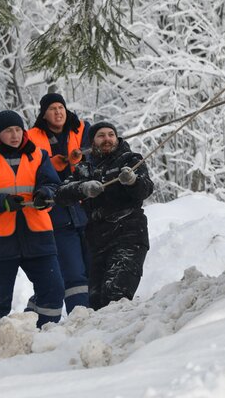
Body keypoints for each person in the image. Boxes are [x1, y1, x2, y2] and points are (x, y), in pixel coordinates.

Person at [0, 110, 65, 328]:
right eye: (9, 131)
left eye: (18, 129)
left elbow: (54, 186)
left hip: (39, 238)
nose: (15, 135)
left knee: (54, 290)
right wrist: (3, 202)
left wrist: (45, 194)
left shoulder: (39, 155)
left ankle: (46, 334)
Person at [56, 121, 153, 310]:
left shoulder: (130, 159)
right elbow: (60, 194)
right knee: (96, 303)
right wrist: (81, 188)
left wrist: (132, 181)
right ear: (92, 142)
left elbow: (146, 189)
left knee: (115, 296)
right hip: (98, 240)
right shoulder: (84, 169)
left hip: (129, 234)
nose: (107, 139)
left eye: (111, 134)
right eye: (101, 135)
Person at [26, 93, 93, 313]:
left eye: (60, 107)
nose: (58, 112)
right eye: (52, 108)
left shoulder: (82, 129)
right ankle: (79, 318)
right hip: (57, 215)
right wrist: (49, 165)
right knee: (73, 272)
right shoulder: (30, 138)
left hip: (86, 210)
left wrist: (80, 158)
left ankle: (100, 316)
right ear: (44, 114)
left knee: (94, 267)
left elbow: (97, 155)